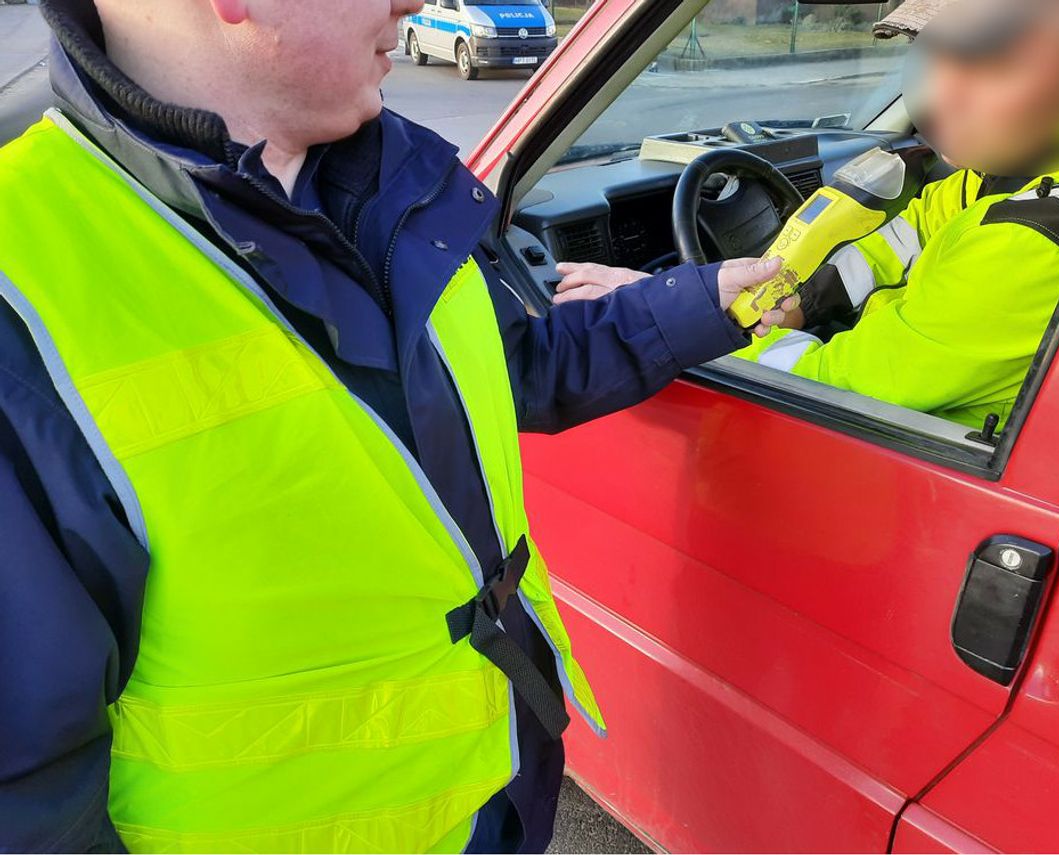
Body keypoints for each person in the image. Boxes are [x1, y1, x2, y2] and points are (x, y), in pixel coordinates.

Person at [0, 1, 786, 852]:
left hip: (498, 795)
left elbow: (518, 363)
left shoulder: (394, 182)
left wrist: (711, 299)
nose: (414, 4)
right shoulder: (25, 283)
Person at [558, 0, 1059, 432]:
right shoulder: (1044, 160)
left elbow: (826, 386)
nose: (940, 97)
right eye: (936, 57)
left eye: (992, 61)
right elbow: (903, 237)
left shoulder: (1047, 236)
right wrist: (787, 304)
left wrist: (662, 311)